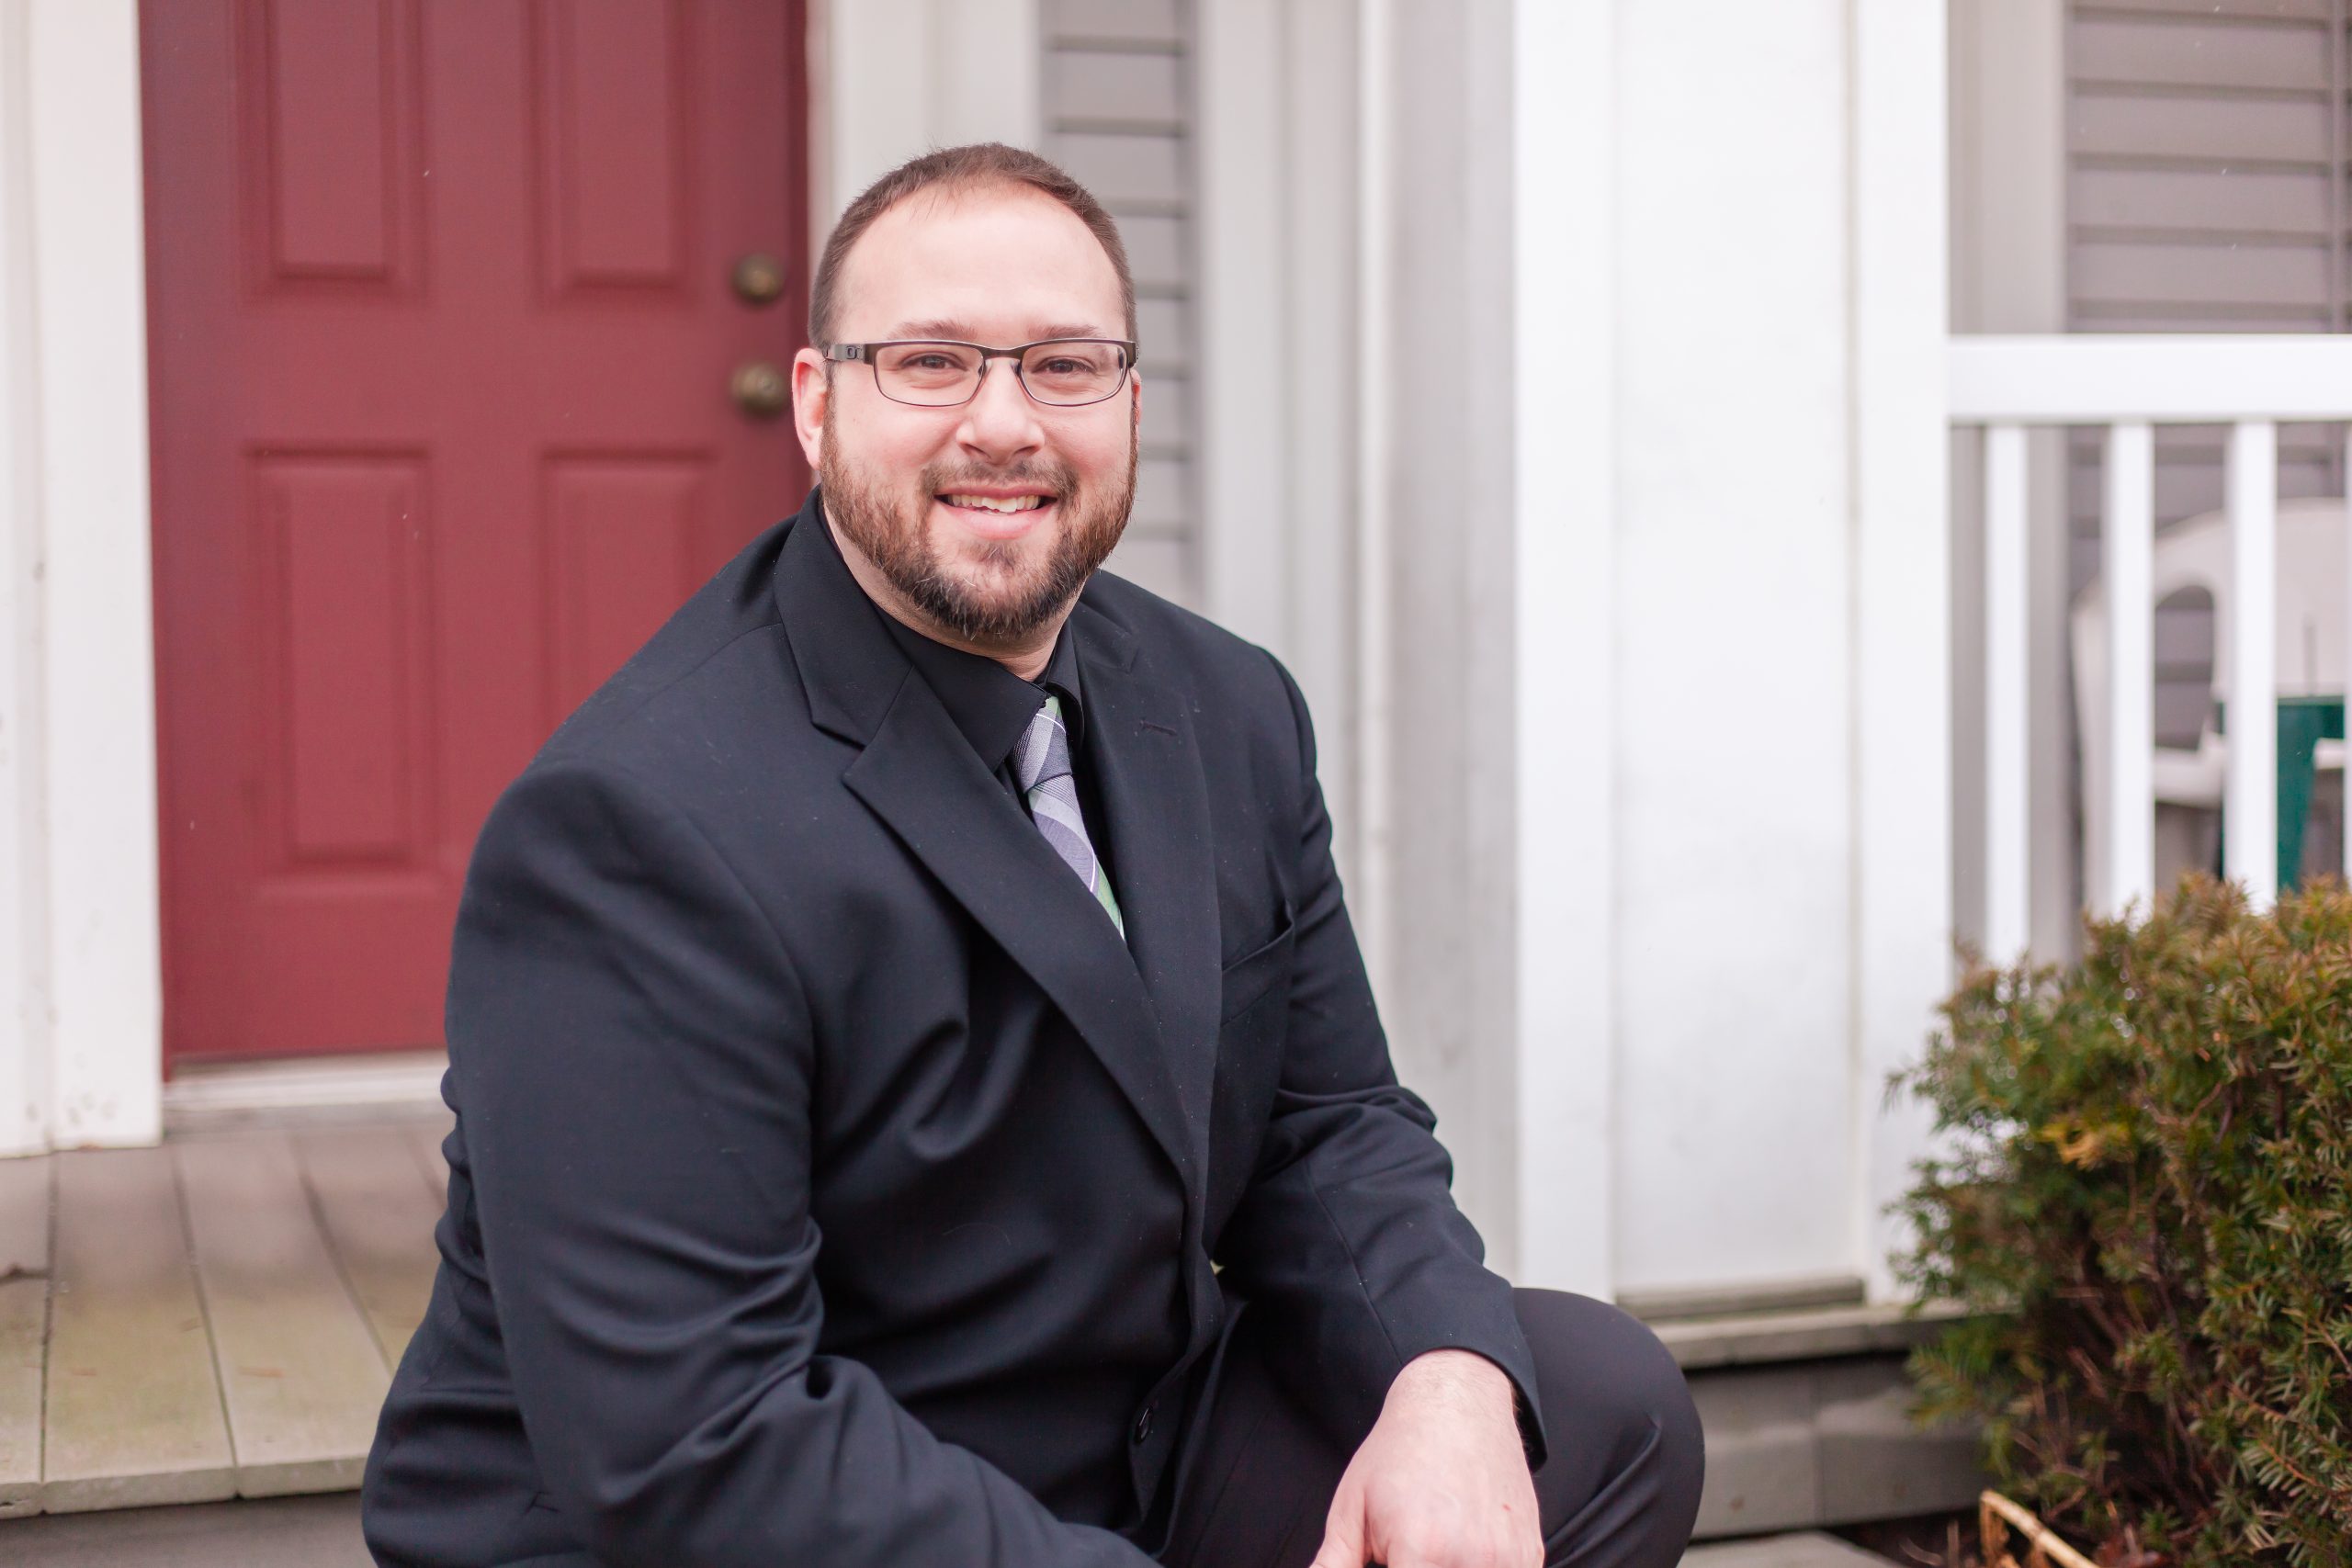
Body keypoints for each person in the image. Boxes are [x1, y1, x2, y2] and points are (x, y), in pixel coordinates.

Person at [361, 142, 1702, 1568]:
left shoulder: (1228, 707)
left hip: (1118, 1449)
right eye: (929, 363)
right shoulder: (636, 830)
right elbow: (702, 1439)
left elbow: (1328, 1128)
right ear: (817, 405)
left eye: (1065, 366)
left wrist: (1446, 1375)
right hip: (742, 1512)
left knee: (1593, 1407)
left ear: (1130, 404)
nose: (1002, 425)